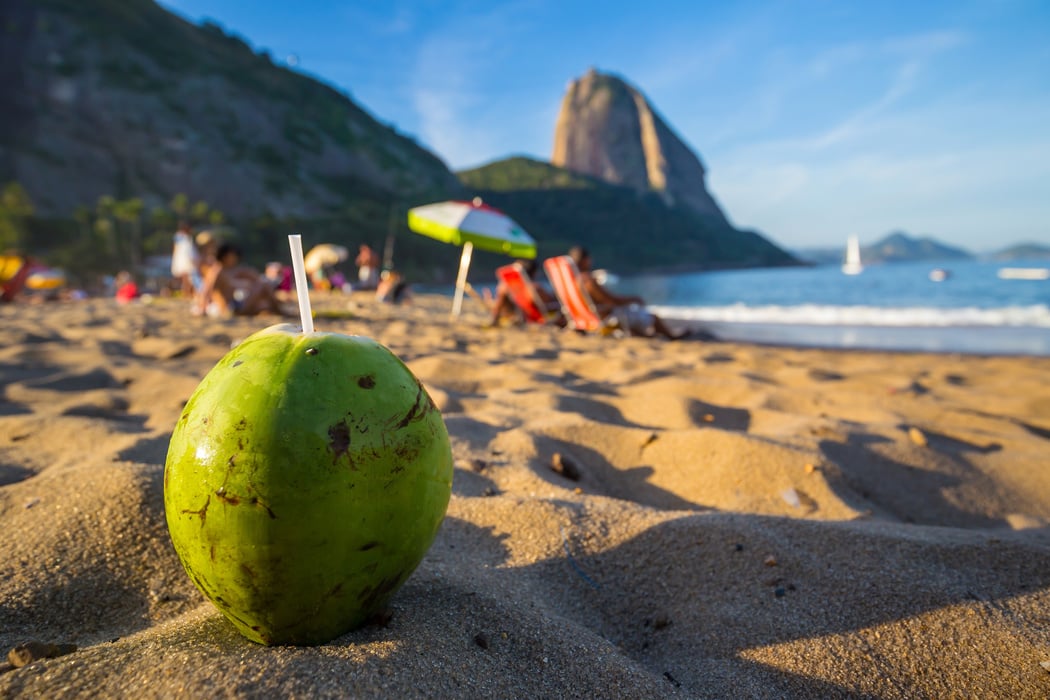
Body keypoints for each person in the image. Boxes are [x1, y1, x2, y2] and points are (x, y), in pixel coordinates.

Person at [568, 245, 687, 340]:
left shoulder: (573, 282)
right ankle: (672, 337)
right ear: (585, 260)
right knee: (653, 317)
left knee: (634, 317)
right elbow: (612, 301)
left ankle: (644, 336)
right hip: (606, 317)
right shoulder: (588, 281)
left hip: (591, 317)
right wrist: (634, 299)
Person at [197, 243, 286, 318]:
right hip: (230, 309)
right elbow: (207, 289)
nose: (235, 258)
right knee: (263, 285)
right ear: (225, 256)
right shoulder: (217, 271)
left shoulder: (227, 270)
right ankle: (281, 312)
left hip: (234, 306)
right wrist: (202, 308)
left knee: (264, 305)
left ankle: (279, 310)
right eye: (233, 255)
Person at [487, 259, 563, 327]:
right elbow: (550, 305)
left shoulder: (510, 287)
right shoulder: (535, 289)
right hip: (542, 318)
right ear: (534, 273)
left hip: (526, 316)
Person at [170, 222, 199, 297]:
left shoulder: (184, 236)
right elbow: (178, 247)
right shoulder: (180, 236)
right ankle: (186, 293)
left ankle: (188, 292)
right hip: (184, 258)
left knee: (188, 277)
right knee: (186, 277)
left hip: (184, 257)